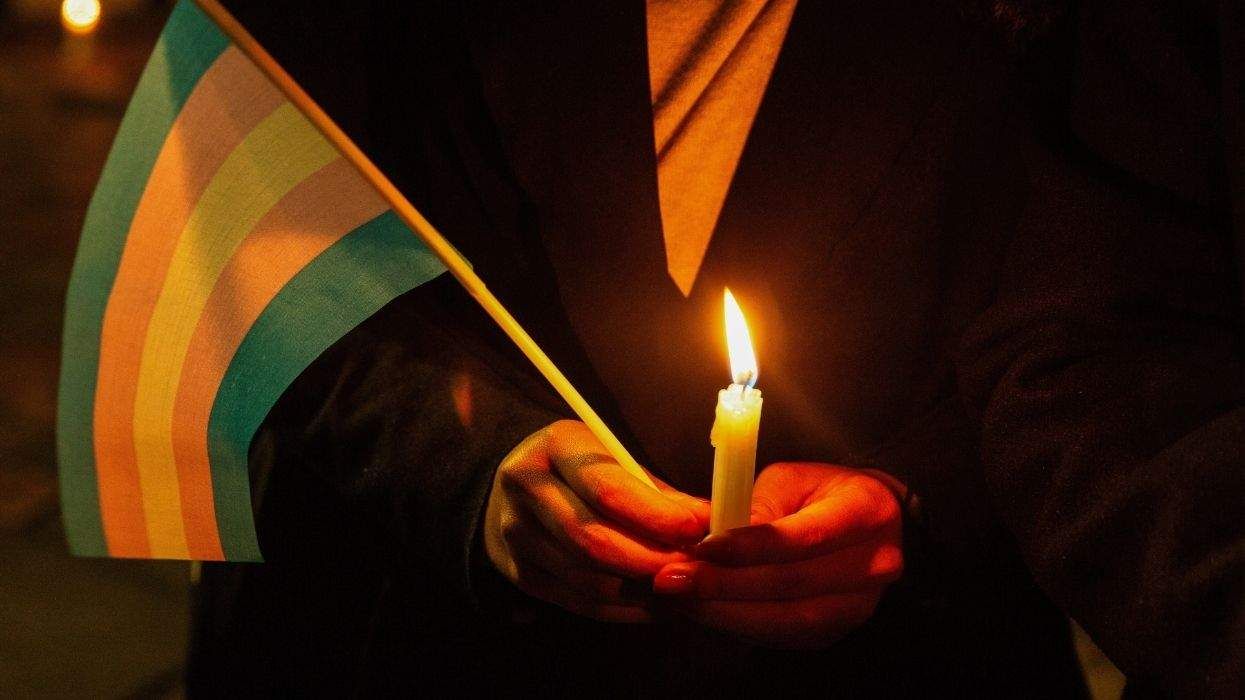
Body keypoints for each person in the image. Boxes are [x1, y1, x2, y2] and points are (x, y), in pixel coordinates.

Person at [187, 0, 1242, 696]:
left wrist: (911, 498)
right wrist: (473, 468)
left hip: (891, 662)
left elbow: (1105, 299)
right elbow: (252, 223)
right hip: (407, 635)